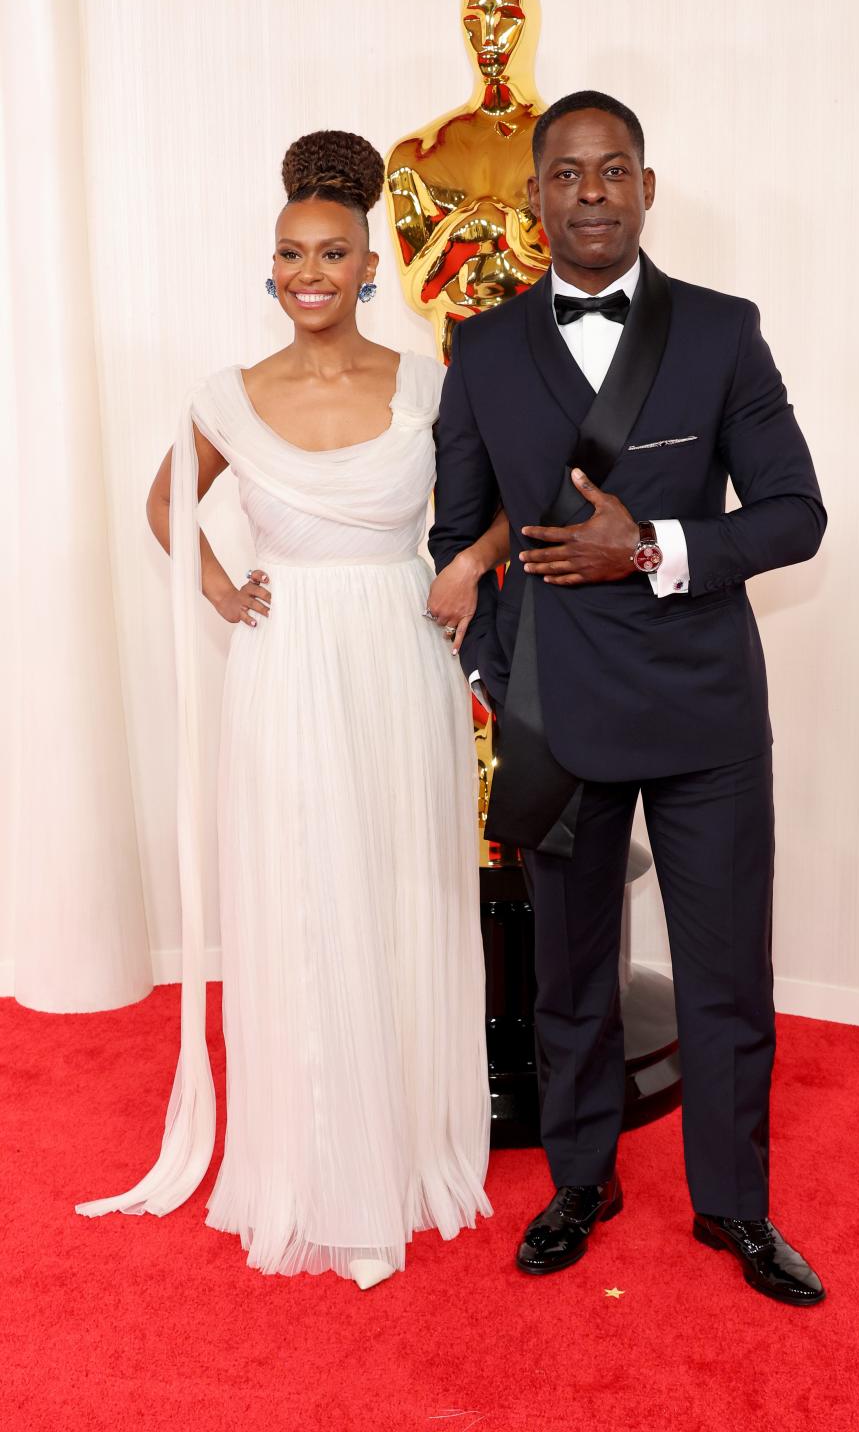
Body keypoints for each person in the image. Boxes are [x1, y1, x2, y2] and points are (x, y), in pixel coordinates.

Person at [429, 90, 829, 1305]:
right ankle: (580, 1180)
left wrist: (651, 545)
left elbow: (795, 514)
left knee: (723, 970)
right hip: (557, 706)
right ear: (536, 196)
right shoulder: (483, 346)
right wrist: (498, 676)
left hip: (705, 707)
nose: (592, 192)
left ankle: (736, 1208)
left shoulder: (721, 332)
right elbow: (458, 538)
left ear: (647, 190)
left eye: (614, 172)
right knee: (569, 968)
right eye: (568, 173)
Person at [76, 130, 493, 1290]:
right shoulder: (226, 395)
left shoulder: (425, 379)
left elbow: (507, 492)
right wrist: (219, 583)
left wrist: (465, 567)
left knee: (399, 883)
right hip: (286, 659)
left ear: (371, 265)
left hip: (402, 657)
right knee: (304, 891)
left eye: (335, 254)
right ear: (272, 268)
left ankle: (404, 1150)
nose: (311, 273)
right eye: (290, 255)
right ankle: (314, 1163)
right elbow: (168, 501)